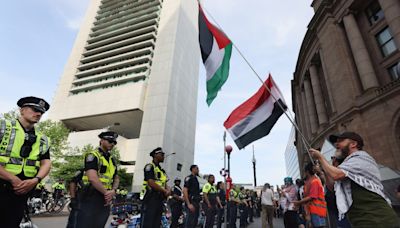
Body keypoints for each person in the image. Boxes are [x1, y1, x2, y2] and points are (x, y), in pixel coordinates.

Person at [309, 132, 399, 227]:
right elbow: (332, 187)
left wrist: (321, 158)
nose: (336, 144)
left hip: (377, 219)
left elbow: (336, 175)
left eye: (341, 141)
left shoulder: (361, 157)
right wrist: (324, 170)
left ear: (353, 144)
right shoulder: (347, 164)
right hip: (361, 220)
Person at [0, 96, 51, 227]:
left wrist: (36, 180)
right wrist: (12, 178)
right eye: (34, 109)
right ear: (22, 110)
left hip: (22, 190)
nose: (39, 114)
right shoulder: (3, 127)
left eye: (41, 112)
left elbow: (46, 163)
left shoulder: (43, 139)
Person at [73, 131, 120, 228]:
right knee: (85, 225)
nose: (112, 144)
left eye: (114, 142)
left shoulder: (112, 160)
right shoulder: (93, 156)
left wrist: (113, 190)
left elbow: (116, 178)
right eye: (110, 141)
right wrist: (107, 193)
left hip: (105, 198)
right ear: (102, 141)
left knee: (99, 224)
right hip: (91, 196)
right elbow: (92, 178)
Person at [140, 147, 170, 228]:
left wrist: (168, 190)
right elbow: (151, 182)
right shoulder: (150, 167)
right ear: (155, 155)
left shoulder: (162, 170)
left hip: (160, 199)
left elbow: (165, 183)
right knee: (148, 223)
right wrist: (164, 190)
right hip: (151, 198)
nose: (163, 156)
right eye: (162, 154)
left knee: (156, 223)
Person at [293, 163, 326, 228]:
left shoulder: (315, 181)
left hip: (317, 211)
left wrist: (299, 203)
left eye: (304, 172)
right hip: (311, 211)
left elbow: (312, 197)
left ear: (307, 172)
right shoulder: (309, 183)